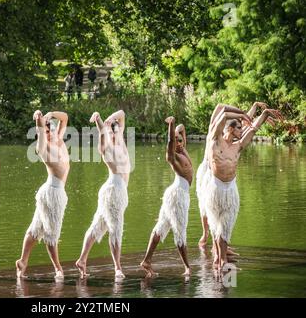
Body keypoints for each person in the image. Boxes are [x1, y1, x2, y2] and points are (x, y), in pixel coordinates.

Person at [204, 104, 283, 270]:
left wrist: (266, 113)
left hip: (231, 191)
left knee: (225, 229)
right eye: (240, 127)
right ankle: (219, 260)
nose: (243, 130)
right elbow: (223, 113)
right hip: (214, 190)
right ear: (231, 128)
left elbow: (253, 129)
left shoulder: (237, 146)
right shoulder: (214, 140)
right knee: (217, 228)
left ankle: (222, 261)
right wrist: (243, 114)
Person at [197, 102, 269, 249]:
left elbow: (246, 126)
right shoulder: (214, 132)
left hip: (221, 176)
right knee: (207, 207)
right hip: (208, 172)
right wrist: (241, 113)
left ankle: (222, 246)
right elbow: (222, 110)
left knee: (225, 214)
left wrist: (255, 110)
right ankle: (208, 237)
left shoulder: (232, 141)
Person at [75, 110, 130, 279]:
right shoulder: (107, 148)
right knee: (115, 228)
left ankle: (82, 259)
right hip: (113, 191)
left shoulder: (120, 141)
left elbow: (122, 114)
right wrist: (99, 122)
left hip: (118, 190)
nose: (114, 133)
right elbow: (102, 135)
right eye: (111, 132)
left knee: (99, 225)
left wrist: (110, 119)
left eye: (115, 130)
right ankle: (117, 268)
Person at [16, 111, 70, 280]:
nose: (49, 133)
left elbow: (65, 118)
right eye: (46, 132)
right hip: (53, 194)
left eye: (51, 129)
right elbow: (40, 138)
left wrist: (51, 114)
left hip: (51, 191)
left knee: (36, 228)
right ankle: (58, 269)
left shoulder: (59, 140)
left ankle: (23, 261)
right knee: (51, 234)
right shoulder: (44, 148)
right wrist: (39, 121)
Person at [140, 117, 193, 277]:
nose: (179, 142)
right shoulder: (173, 157)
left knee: (162, 227)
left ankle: (147, 261)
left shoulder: (183, 150)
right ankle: (187, 268)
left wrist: (178, 130)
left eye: (180, 140)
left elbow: (182, 127)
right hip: (177, 195)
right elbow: (171, 141)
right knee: (180, 231)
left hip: (178, 194)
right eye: (176, 141)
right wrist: (171, 126)